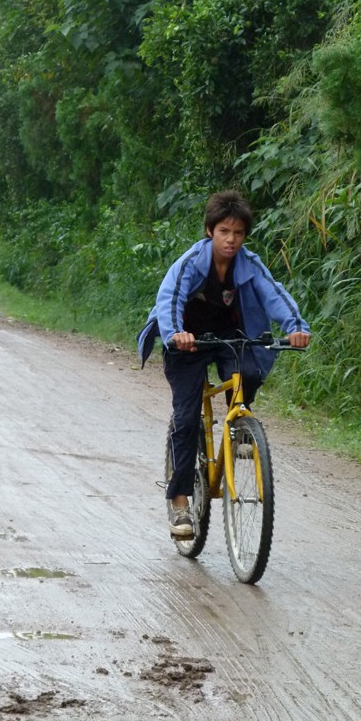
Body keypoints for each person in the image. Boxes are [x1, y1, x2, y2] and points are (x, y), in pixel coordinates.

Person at [137, 190, 310, 538]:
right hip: (187, 341)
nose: (231, 240)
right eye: (224, 232)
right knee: (186, 421)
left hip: (229, 336)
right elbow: (169, 299)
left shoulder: (248, 263)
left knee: (248, 368)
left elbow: (272, 292)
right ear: (209, 231)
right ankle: (181, 503)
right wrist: (175, 335)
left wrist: (296, 328)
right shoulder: (190, 263)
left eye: (238, 233)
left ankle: (238, 426)